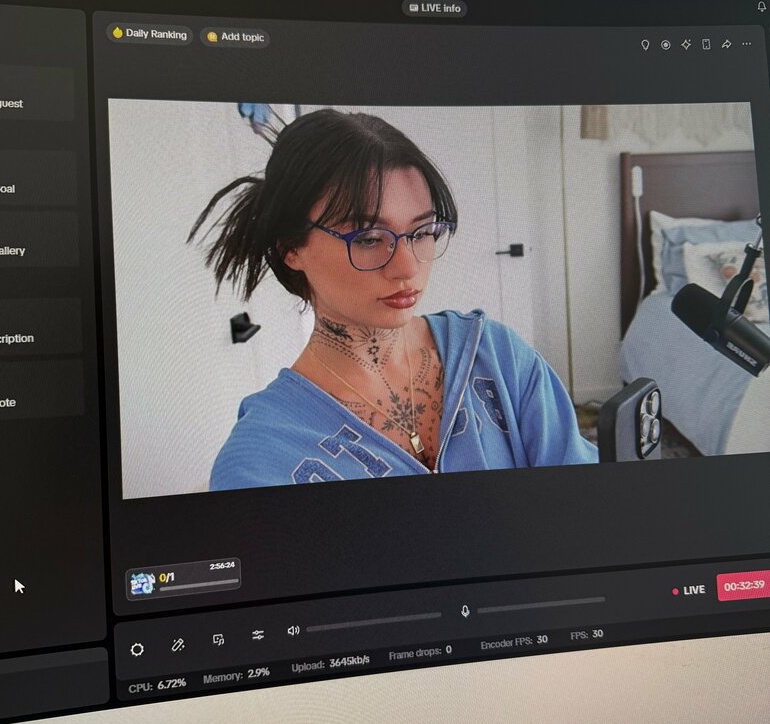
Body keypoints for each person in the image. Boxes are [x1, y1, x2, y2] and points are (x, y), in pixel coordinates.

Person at [188, 108, 598, 490]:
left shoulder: (498, 358)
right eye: (368, 238)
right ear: (291, 249)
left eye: (422, 232)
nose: (407, 267)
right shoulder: (262, 460)